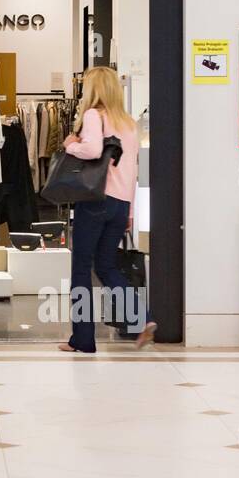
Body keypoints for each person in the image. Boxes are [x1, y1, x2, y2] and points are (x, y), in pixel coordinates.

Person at [59, 66, 157, 352]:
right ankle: (143, 317)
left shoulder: (93, 116)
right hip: (120, 204)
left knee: (81, 270)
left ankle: (83, 340)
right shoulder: (128, 123)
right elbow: (133, 171)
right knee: (107, 267)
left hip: (94, 201)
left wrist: (69, 145)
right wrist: (128, 212)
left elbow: (90, 151)